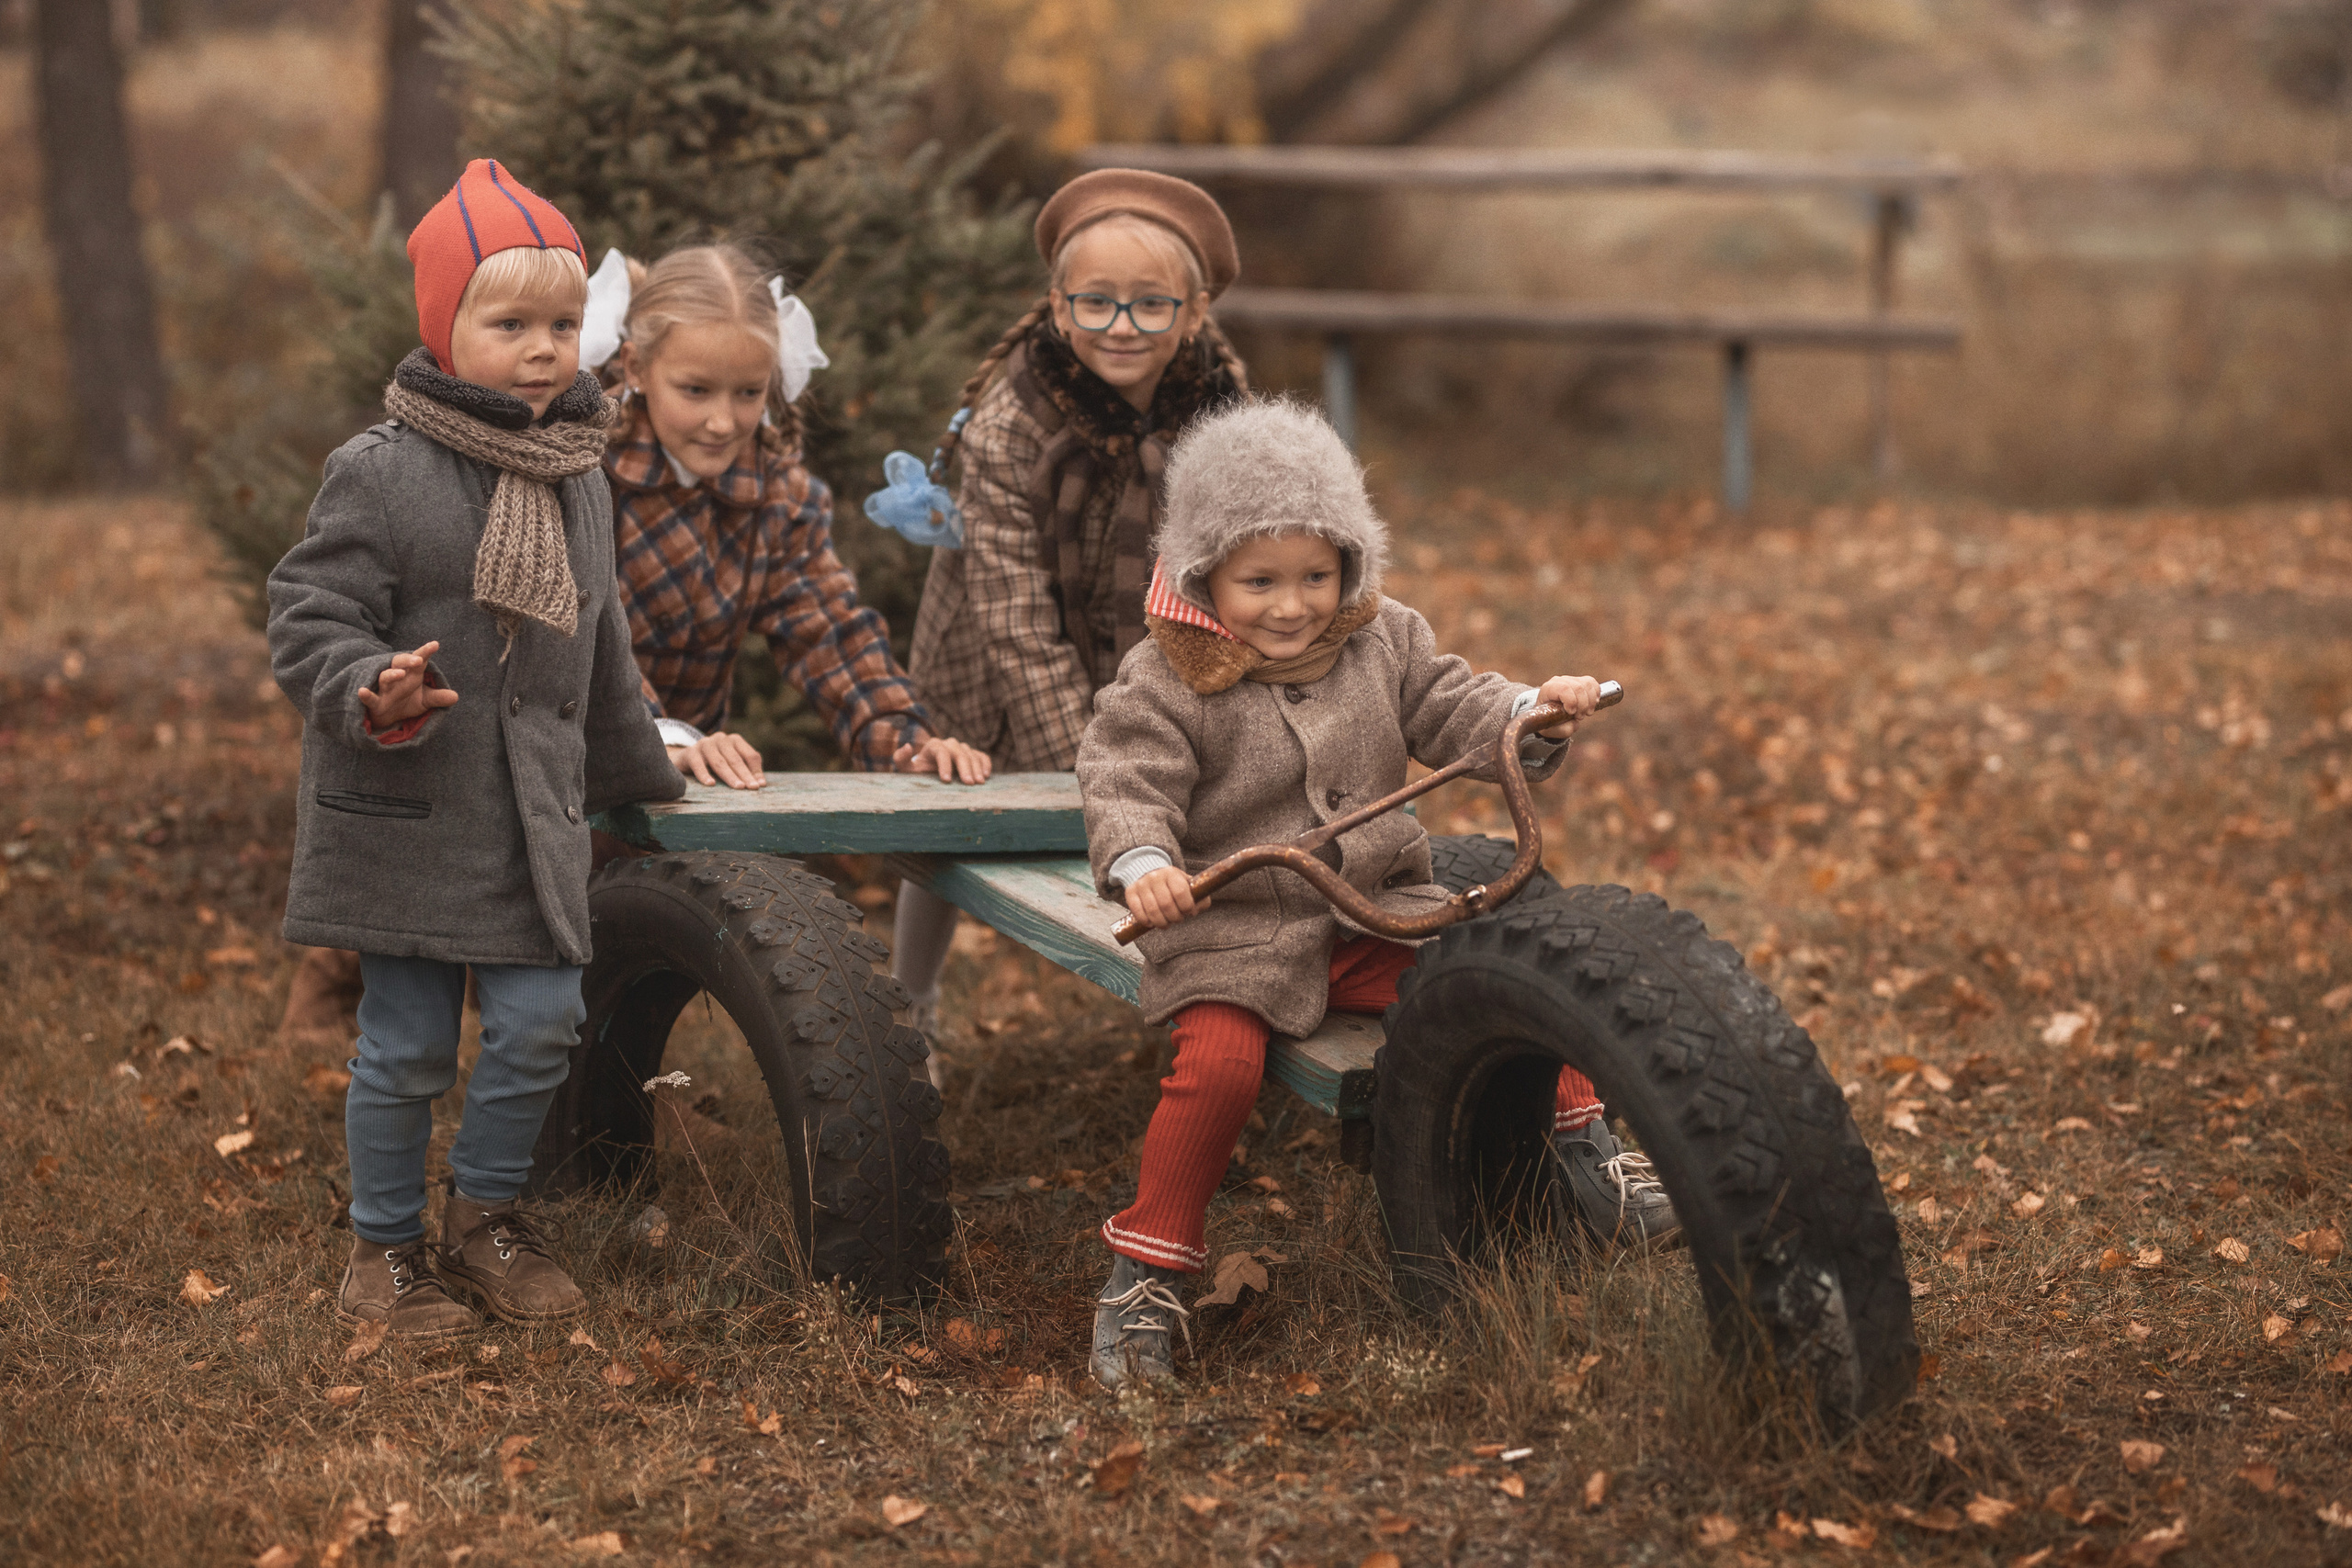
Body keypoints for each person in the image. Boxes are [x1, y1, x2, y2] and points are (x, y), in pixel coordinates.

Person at [1075, 400, 1678, 1389]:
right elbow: (1123, 780)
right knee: (1219, 1066)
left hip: (1366, 910)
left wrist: (1534, 711)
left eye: (1315, 576)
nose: (1290, 606)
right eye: (1258, 581)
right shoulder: (1168, 676)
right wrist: (1147, 864)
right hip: (1235, 927)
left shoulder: (1381, 639)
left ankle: (1588, 1151)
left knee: (1496, 979)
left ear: (1349, 566)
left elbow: (1454, 705)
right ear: (1204, 575)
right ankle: (1146, 1270)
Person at [268, 160, 684, 1338]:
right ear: (444, 330)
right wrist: (372, 684)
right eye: (510, 323)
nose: (545, 348)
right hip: (411, 803)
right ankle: (385, 1250)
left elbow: (598, 644)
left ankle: (489, 1214)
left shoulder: (579, 473)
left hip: (529, 818)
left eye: (562, 322)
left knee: (545, 1018)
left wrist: (639, 772)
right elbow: (309, 618)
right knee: (403, 1048)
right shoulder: (383, 473)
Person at [894, 167, 1249, 1048]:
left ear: (1193, 313)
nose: (1121, 327)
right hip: (992, 639)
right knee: (945, 823)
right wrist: (1093, 766)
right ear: (1058, 307)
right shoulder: (1011, 422)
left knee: (1189, 806)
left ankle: (1198, 993)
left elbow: (1239, 563)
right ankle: (912, 1006)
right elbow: (1014, 615)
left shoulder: (1225, 414)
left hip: (1147, 635)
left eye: (1149, 305)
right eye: (1096, 303)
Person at [586, 242, 989, 792]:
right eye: (695, 391)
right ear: (636, 367)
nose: (723, 422)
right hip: (568, 780)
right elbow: (585, 644)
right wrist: (668, 739)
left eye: (748, 392)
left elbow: (830, 633)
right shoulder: (584, 476)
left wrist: (905, 743)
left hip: (684, 792)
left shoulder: (777, 495)